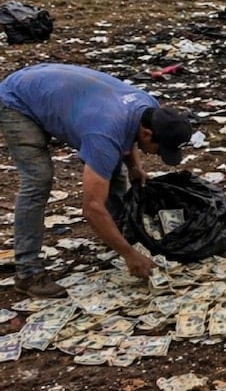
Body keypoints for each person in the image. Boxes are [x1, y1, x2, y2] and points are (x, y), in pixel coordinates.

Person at [0, 63, 193, 297]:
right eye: (158, 148)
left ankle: (117, 234)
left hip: (51, 86)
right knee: (38, 180)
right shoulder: (104, 134)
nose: (154, 154)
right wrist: (129, 256)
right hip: (18, 100)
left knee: (115, 172)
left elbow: (128, 132)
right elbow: (91, 208)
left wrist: (135, 166)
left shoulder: (149, 106)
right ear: (147, 134)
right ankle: (28, 273)